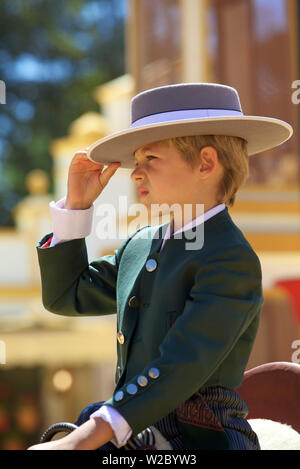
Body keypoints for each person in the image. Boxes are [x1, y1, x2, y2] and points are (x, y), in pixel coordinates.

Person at [29, 83, 293, 450]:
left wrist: (85, 438)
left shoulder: (231, 258)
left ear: (206, 163)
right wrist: (76, 207)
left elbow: (182, 363)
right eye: (135, 162)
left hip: (202, 436)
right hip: (126, 425)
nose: (136, 173)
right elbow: (66, 296)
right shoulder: (139, 244)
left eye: (150, 159)